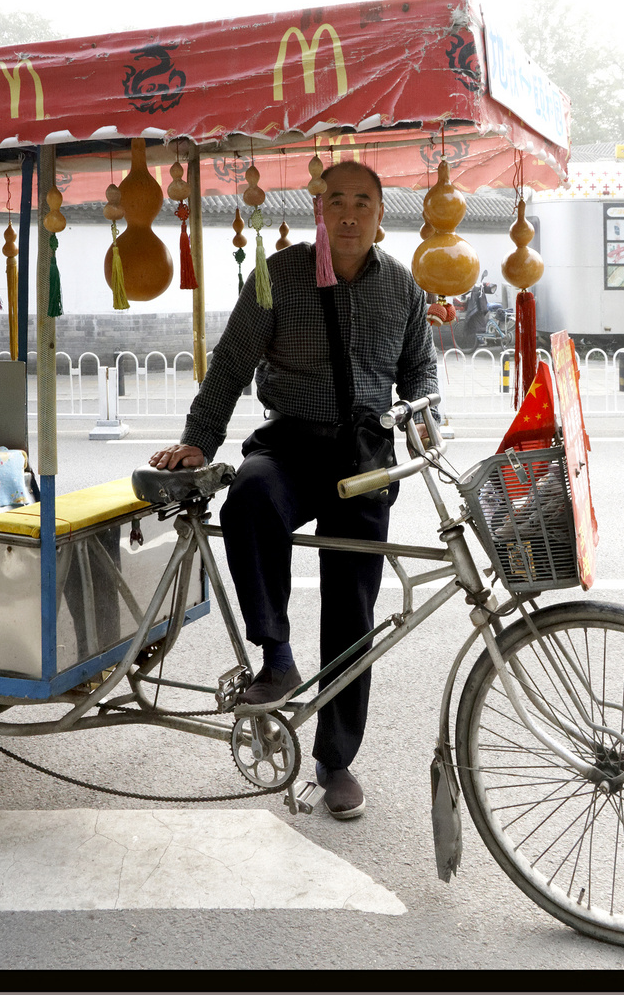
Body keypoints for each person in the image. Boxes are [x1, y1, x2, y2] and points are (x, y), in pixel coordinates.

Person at [149, 161, 436, 820]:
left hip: (364, 455)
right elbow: (230, 362)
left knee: (351, 610)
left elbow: (420, 367)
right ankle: (274, 657)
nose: (349, 213)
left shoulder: (401, 285)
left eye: (362, 201)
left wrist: (424, 416)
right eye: (337, 200)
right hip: (290, 444)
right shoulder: (278, 277)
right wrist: (201, 439)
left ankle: (336, 762)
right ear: (318, 206)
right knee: (249, 496)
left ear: (379, 211)